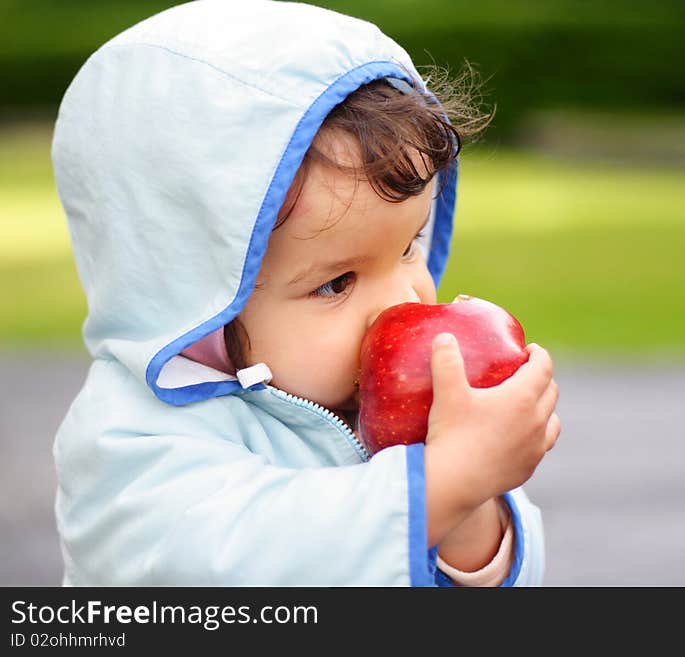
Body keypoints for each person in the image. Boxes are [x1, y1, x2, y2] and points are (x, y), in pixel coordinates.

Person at [51, 0, 560, 586]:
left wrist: (472, 505)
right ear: (201, 300)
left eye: (407, 247)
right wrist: (439, 487)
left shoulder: (404, 415)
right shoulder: (129, 439)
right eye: (337, 282)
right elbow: (221, 565)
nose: (406, 303)